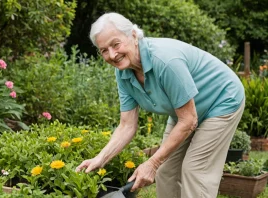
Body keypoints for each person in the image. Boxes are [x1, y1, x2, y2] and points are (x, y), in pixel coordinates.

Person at [75, 12, 245, 198]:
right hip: (184, 112)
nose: (112, 54)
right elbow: (127, 125)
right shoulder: (124, 73)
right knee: (165, 169)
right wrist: (100, 158)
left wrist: (152, 163)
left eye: (115, 44)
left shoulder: (165, 61)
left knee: (195, 170)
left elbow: (188, 120)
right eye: (104, 50)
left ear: (133, 35)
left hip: (221, 99)